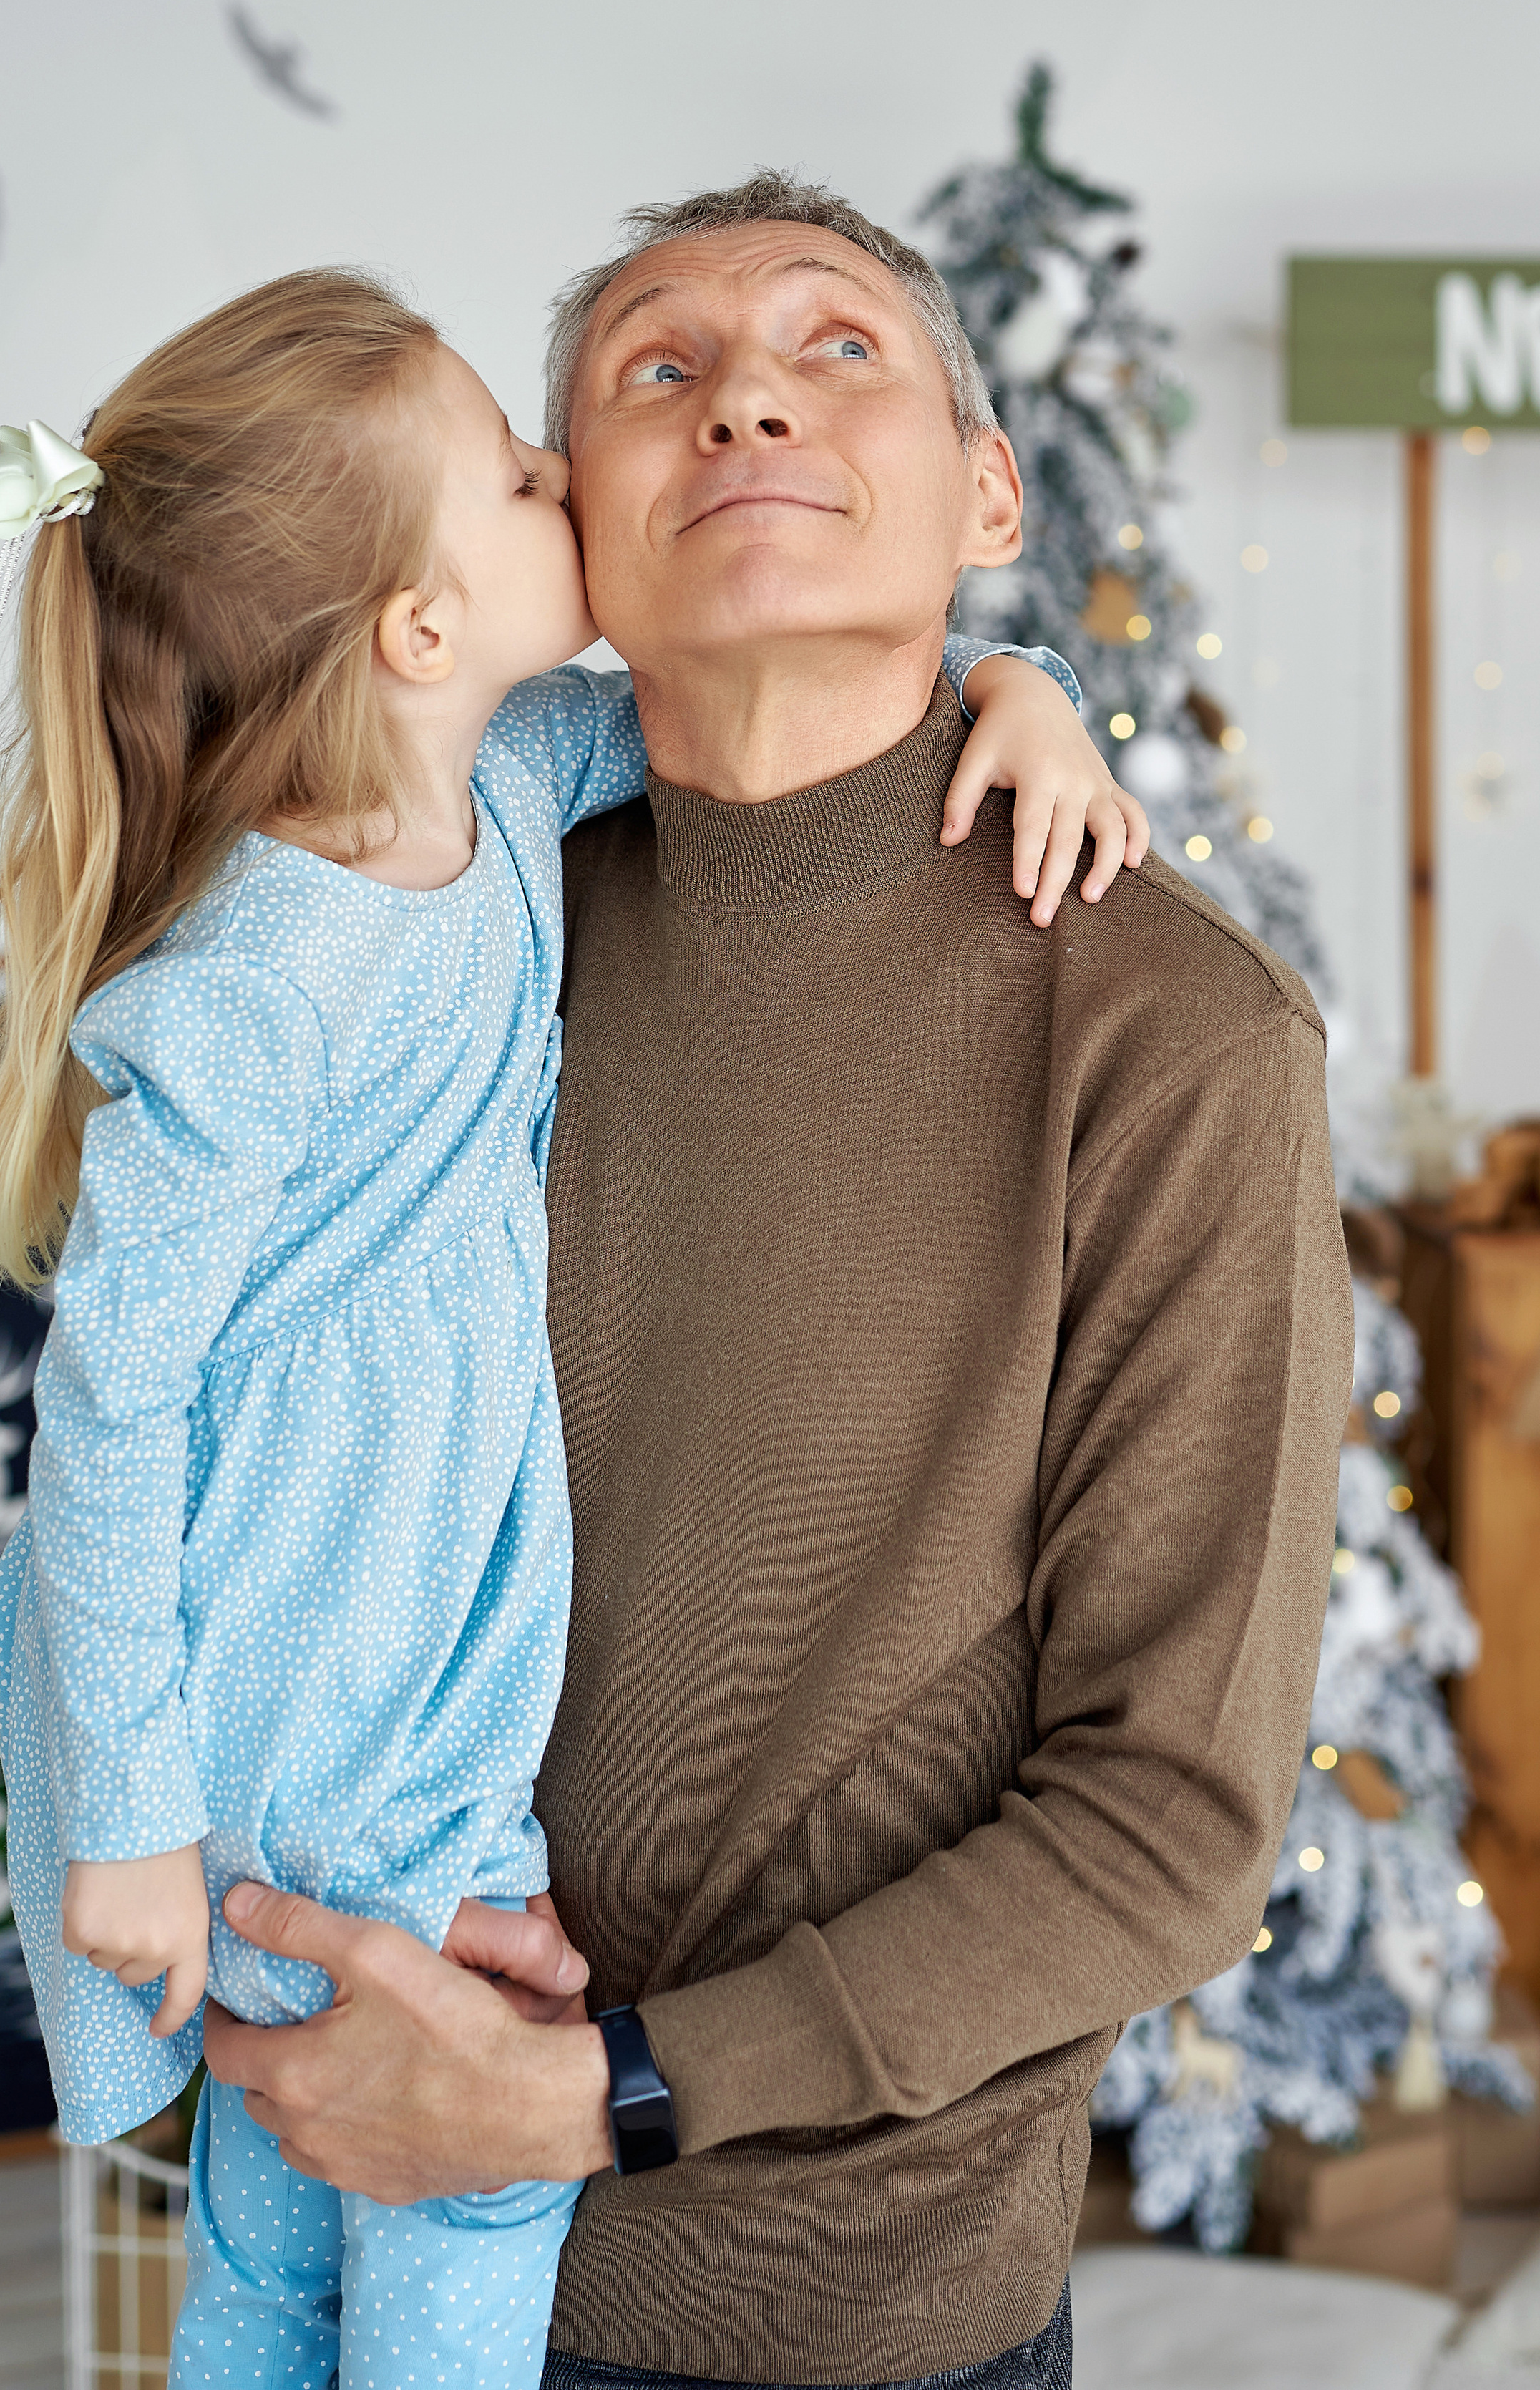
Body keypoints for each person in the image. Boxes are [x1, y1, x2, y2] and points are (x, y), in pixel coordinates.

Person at [203, 180, 1355, 2390]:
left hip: (836, 2312)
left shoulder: (1174, 1040)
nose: (743, 395)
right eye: (657, 368)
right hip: (360, 2203)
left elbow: (1174, 1823)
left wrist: (594, 2088)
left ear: (987, 489)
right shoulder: (442, 922)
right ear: (571, 541)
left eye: (841, 352)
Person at [0, 265, 1139, 2390]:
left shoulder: (511, 781)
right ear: (419, 622)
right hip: (291, 1666)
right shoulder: (252, 977)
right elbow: (114, 1401)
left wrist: (1023, 680)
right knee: (400, 2204)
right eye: (519, 468)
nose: (559, 481)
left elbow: (822, 700)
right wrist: (133, 1804)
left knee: (338, 2212)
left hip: (436, 1638)